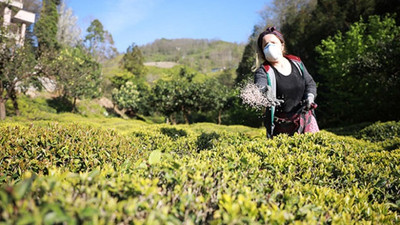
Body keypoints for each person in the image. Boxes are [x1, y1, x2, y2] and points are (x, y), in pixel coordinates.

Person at [254, 26, 319, 138]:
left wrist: (310, 97)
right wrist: (265, 93)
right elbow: (259, 86)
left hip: (305, 119)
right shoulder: (263, 71)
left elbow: (310, 83)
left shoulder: (297, 63)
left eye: (273, 42)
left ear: (282, 45)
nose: (270, 46)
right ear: (262, 51)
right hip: (282, 126)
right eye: (265, 45)